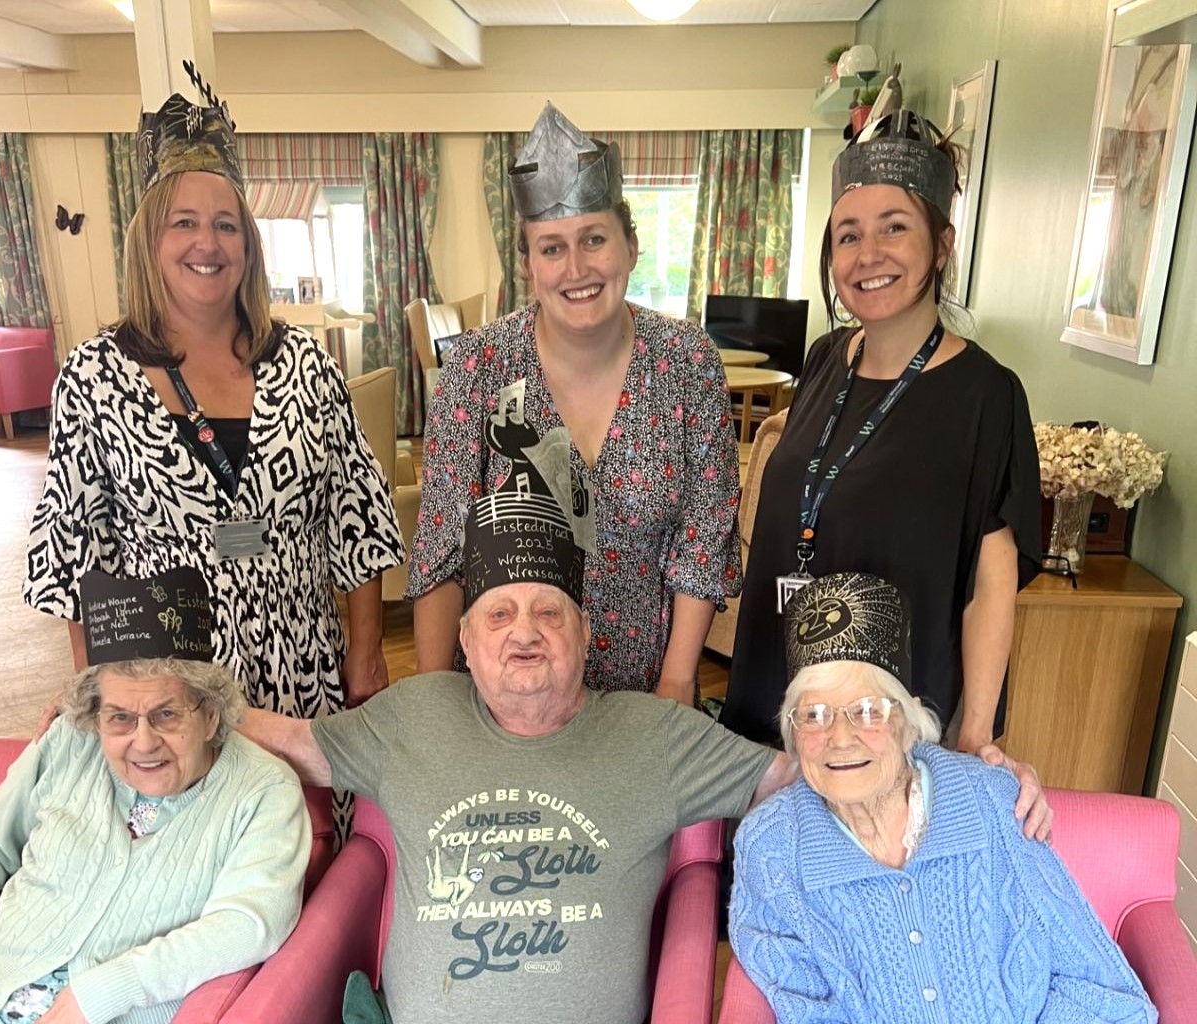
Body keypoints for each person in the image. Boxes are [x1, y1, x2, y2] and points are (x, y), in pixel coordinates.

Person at [241, 415, 1050, 1024]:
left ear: (587, 636)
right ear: (462, 641)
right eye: (499, 616)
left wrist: (965, 772)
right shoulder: (413, 715)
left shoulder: (654, 735)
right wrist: (157, 707)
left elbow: (820, 770)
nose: (524, 632)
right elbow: (288, 742)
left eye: (549, 614)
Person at [23, 84, 404, 724]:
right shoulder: (94, 378)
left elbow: (358, 517)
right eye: (185, 223)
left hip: (300, 672)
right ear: (149, 241)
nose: (208, 242)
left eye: (226, 224)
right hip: (166, 691)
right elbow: (74, 553)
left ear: (248, 245)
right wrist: (98, 694)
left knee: (300, 823)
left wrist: (365, 654)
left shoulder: (307, 368)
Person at [722, 109, 1041, 752]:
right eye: (848, 235)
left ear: (942, 244)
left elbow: (991, 582)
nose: (869, 256)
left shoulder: (986, 397)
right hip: (776, 699)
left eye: (894, 229)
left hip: (886, 723)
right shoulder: (823, 358)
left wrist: (973, 735)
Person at [406, 102, 741, 702]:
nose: (577, 267)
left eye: (594, 239)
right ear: (529, 264)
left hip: (644, 689)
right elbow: (442, 551)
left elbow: (702, 540)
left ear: (631, 246)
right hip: (506, 697)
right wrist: (436, 710)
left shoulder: (689, 362)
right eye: (553, 248)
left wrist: (676, 683)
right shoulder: (476, 370)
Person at [729, 571, 1155, 1024]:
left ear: (907, 722)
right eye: (814, 714)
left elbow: (1096, 985)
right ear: (792, 731)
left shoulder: (994, 801)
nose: (840, 737)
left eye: (868, 710)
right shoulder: (771, 847)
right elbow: (806, 1008)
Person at [0, 567, 311, 1024]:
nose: (143, 743)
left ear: (211, 714)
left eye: (166, 715)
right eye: (119, 718)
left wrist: (110, 988)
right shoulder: (70, 739)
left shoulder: (264, 791)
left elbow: (249, 924)